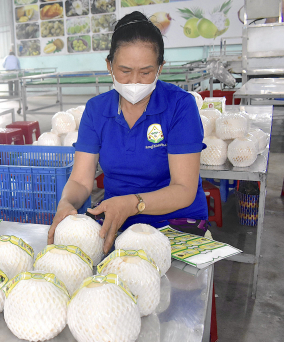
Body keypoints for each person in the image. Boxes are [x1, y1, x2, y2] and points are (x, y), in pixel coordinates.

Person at [47, 11, 208, 253]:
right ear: (109, 65)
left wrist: (133, 204)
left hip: (176, 225)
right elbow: (81, 180)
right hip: (117, 223)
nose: (134, 81)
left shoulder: (179, 106)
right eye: (124, 71)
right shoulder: (97, 110)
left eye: (145, 72)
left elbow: (184, 189)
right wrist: (67, 203)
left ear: (160, 68)